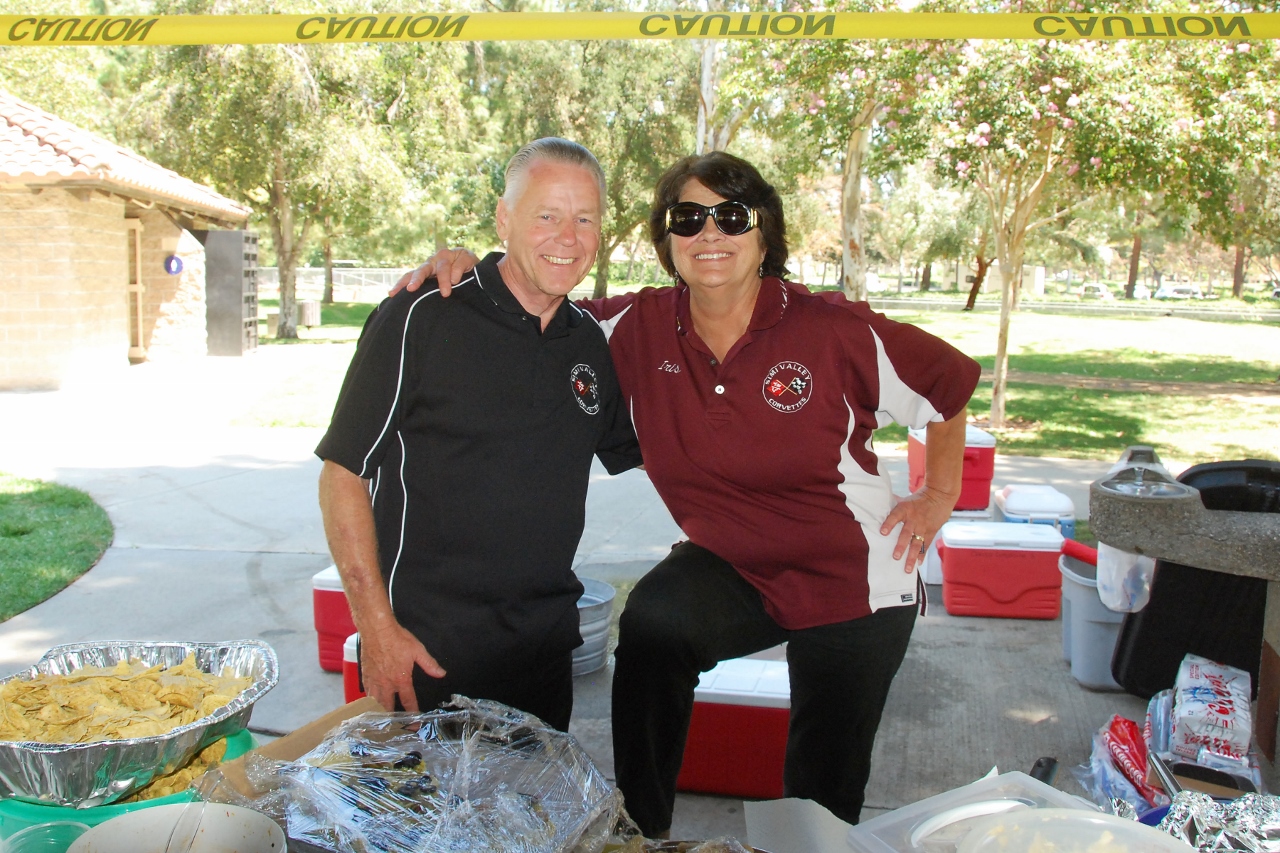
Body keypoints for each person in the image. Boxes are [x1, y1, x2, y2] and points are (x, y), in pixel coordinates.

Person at [397, 151, 981, 835]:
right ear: (667, 236)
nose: (710, 233)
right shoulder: (631, 329)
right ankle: (639, 828)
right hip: (733, 563)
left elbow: (946, 385)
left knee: (820, 801)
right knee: (652, 625)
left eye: (732, 216)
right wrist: (472, 266)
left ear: (765, 235)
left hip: (855, 578)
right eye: (689, 216)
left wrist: (939, 492)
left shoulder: (832, 330)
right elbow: (533, 307)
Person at [316, 138, 641, 733]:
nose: (567, 237)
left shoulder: (589, 345)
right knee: (419, 826)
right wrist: (377, 631)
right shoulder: (421, 314)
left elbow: (665, 453)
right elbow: (343, 473)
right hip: (425, 655)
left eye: (585, 218)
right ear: (504, 218)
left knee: (531, 821)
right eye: (547, 215)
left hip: (543, 657)